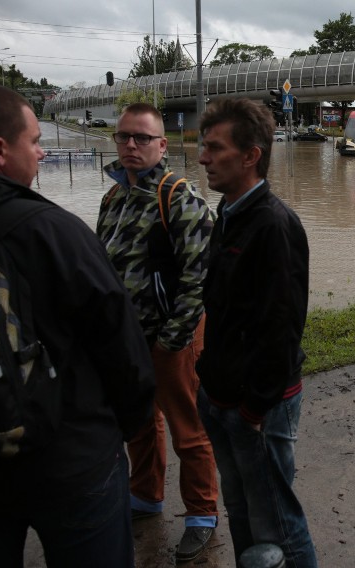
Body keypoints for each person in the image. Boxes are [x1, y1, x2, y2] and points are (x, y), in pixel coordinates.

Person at [0, 83, 155, 566]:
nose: (42, 150)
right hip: (72, 457)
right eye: (33, 142)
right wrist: (125, 428)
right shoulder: (53, 230)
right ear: (0, 151)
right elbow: (121, 344)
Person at [195, 98, 318, 567]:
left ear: (251, 155)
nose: (203, 158)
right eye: (204, 147)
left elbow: (281, 330)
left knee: (279, 526)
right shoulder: (227, 213)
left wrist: (253, 409)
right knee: (242, 510)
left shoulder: (273, 225)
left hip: (256, 409)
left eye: (214, 148)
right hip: (223, 397)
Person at [97, 103, 219, 562]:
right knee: (141, 422)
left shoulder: (179, 195)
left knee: (189, 429)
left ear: (163, 146)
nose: (131, 144)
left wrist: (174, 339)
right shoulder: (114, 197)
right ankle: (146, 497)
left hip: (173, 338)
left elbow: (200, 276)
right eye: (124, 136)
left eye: (142, 138)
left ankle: (202, 514)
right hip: (127, 339)